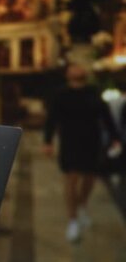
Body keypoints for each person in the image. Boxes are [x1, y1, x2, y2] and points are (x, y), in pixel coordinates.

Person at [43, 63, 121, 243]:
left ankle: (82, 205)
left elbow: (106, 115)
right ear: (68, 73)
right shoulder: (61, 94)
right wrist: (47, 141)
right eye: (74, 68)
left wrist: (115, 136)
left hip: (91, 142)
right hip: (70, 142)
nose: (78, 69)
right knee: (71, 179)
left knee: (90, 178)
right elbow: (51, 119)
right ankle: (72, 220)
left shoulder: (93, 92)